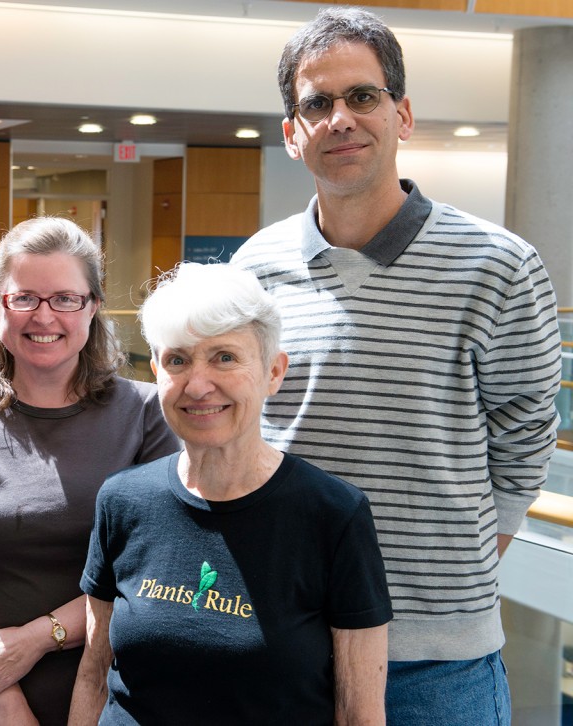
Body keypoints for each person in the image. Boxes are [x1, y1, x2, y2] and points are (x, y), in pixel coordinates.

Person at [231, 7, 562, 724]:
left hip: (436, 663)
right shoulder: (254, 269)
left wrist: (451, 577)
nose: (340, 118)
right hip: (289, 636)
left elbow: (525, 437)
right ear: (293, 134)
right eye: (316, 103)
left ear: (403, 114)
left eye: (362, 96)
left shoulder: (500, 266)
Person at [68, 262, 392, 725]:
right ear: (156, 371)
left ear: (273, 372)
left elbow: (358, 712)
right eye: (178, 360)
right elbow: (93, 677)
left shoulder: (333, 516)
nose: (198, 385)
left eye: (224, 357)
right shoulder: (123, 501)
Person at [0, 216, 180, 726]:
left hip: (109, 702)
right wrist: (7, 703)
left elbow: (147, 578)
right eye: (24, 297)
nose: (44, 316)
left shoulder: (147, 414)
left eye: (65, 298)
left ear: (94, 306)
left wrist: (36, 639)